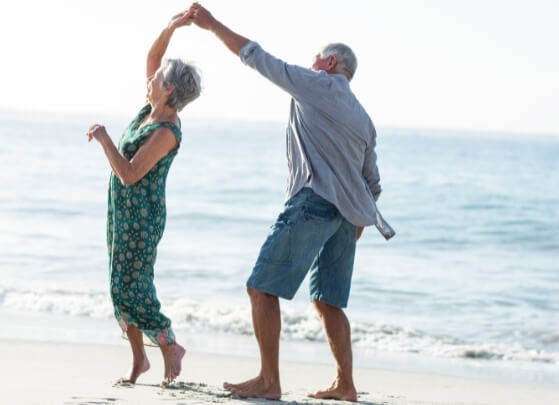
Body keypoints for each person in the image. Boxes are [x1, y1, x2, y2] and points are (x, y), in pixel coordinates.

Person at [189, 3, 391, 401]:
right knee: (328, 301)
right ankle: (345, 385)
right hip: (346, 218)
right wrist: (356, 223)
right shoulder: (364, 117)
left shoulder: (318, 83)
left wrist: (211, 25)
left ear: (329, 62)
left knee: (261, 289)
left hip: (313, 202)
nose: (310, 63)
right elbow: (373, 182)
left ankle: (269, 381)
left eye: (316, 58)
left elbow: (257, 57)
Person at [86, 9, 201, 385]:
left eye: (157, 79)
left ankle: (169, 344)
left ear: (169, 90)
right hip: (121, 210)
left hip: (142, 215)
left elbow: (131, 174)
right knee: (119, 285)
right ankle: (139, 361)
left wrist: (104, 140)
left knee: (128, 287)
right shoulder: (149, 110)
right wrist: (171, 27)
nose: (149, 78)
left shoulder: (167, 129)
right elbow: (153, 60)